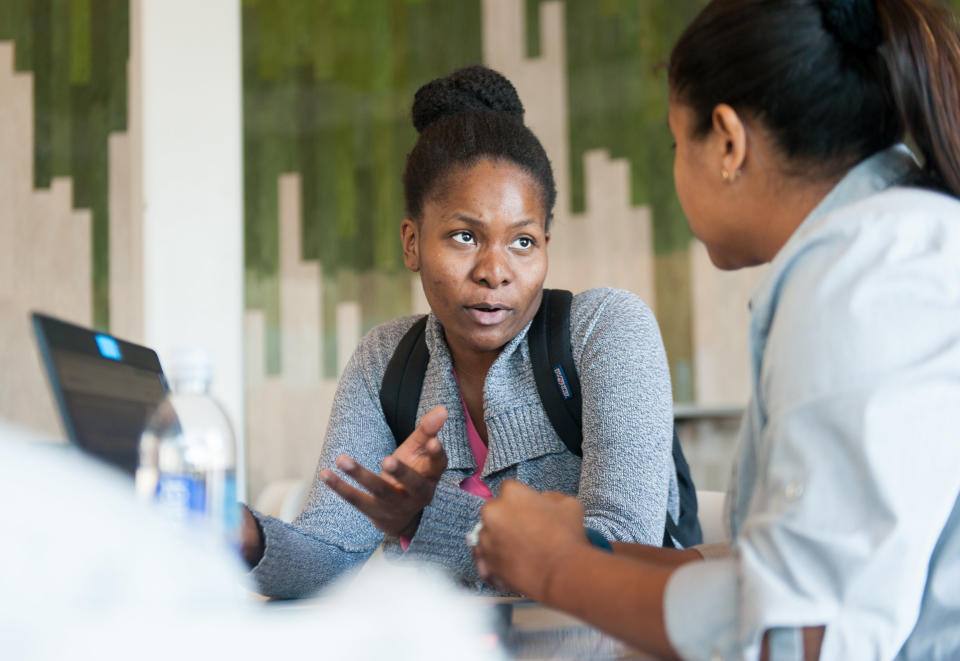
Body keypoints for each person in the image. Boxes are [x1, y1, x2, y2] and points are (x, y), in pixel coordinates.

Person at [472, 0, 960, 659]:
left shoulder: (862, 283)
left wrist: (560, 568)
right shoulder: (893, 250)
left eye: (678, 143)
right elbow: (791, 562)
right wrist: (600, 555)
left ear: (728, 141)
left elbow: (797, 632)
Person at [238, 65, 680, 599]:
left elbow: (620, 549)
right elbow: (326, 560)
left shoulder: (604, 330)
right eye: (465, 236)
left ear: (546, 243)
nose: (495, 270)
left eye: (522, 242)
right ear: (412, 242)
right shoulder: (386, 362)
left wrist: (424, 519)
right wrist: (241, 535)